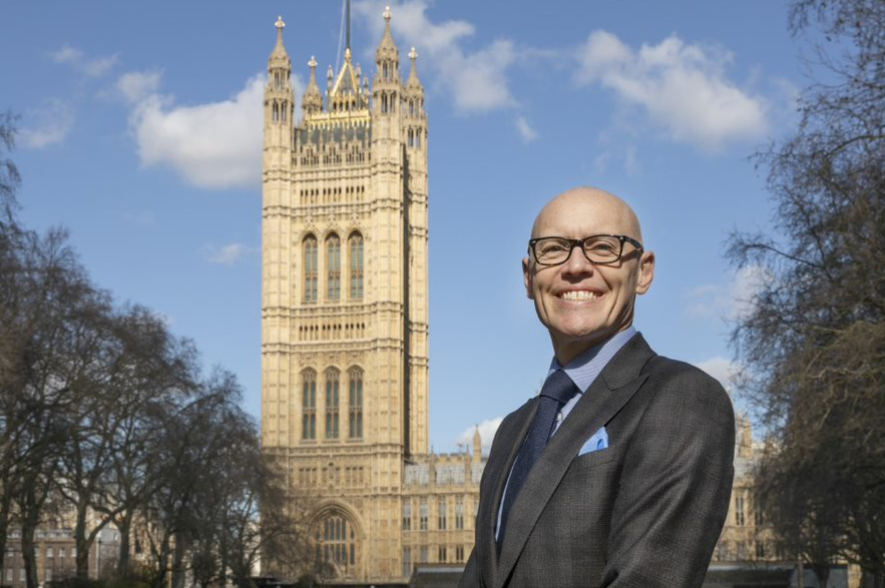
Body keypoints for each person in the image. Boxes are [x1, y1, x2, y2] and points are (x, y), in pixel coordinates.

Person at [458, 186, 735, 588]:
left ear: (643, 271)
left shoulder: (683, 397)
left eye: (603, 247)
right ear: (528, 276)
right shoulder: (514, 429)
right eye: (553, 249)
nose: (576, 266)